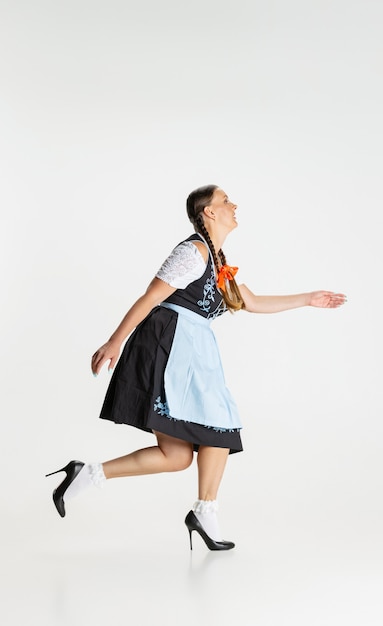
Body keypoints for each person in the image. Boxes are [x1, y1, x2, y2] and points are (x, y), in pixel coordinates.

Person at [46, 184, 346, 551]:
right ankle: (205, 510)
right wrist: (115, 340)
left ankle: (87, 475)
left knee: (177, 457)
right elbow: (152, 296)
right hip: (168, 343)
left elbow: (249, 301)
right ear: (209, 212)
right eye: (225, 201)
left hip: (194, 350)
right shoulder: (193, 252)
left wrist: (308, 299)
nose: (234, 205)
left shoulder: (220, 260)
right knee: (217, 422)